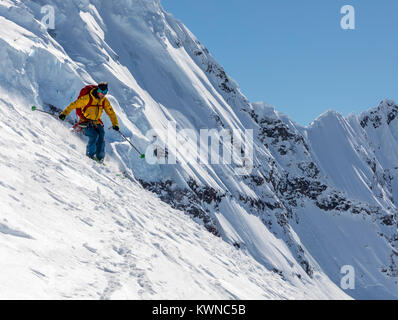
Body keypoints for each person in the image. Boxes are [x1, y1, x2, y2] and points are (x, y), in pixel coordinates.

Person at [59, 82, 119, 163]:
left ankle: (100, 158)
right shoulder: (87, 98)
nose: (103, 94)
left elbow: (111, 112)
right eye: (102, 92)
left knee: (101, 136)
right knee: (94, 136)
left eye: (105, 92)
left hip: (96, 121)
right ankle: (89, 156)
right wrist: (64, 114)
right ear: (98, 90)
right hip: (85, 121)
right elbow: (74, 105)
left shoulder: (104, 101)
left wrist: (115, 124)